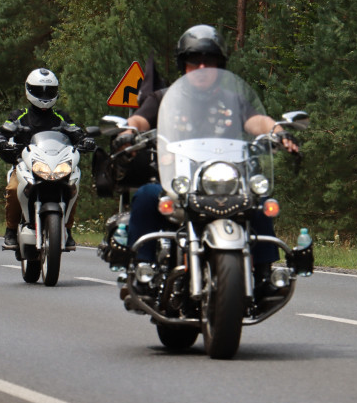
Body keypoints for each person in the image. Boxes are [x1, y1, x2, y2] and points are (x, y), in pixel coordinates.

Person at [116, 25, 299, 288]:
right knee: (146, 195)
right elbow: (140, 119)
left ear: (219, 65)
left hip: (227, 184)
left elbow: (257, 120)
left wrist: (278, 132)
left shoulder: (233, 100)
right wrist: (129, 131)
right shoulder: (163, 98)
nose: (202, 68)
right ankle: (143, 267)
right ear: (184, 65)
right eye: (194, 61)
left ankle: (264, 272)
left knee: (261, 202)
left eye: (209, 61)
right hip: (178, 184)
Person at [0, 68, 95, 250]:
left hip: (57, 164)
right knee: (14, 188)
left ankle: (67, 229)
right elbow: (2, 131)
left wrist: (86, 140)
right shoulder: (19, 116)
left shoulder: (61, 117)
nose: (45, 95)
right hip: (27, 164)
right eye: (39, 90)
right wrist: (1, 141)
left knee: (73, 185)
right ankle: (10, 230)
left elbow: (76, 131)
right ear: (29, 90)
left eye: (49, 91)